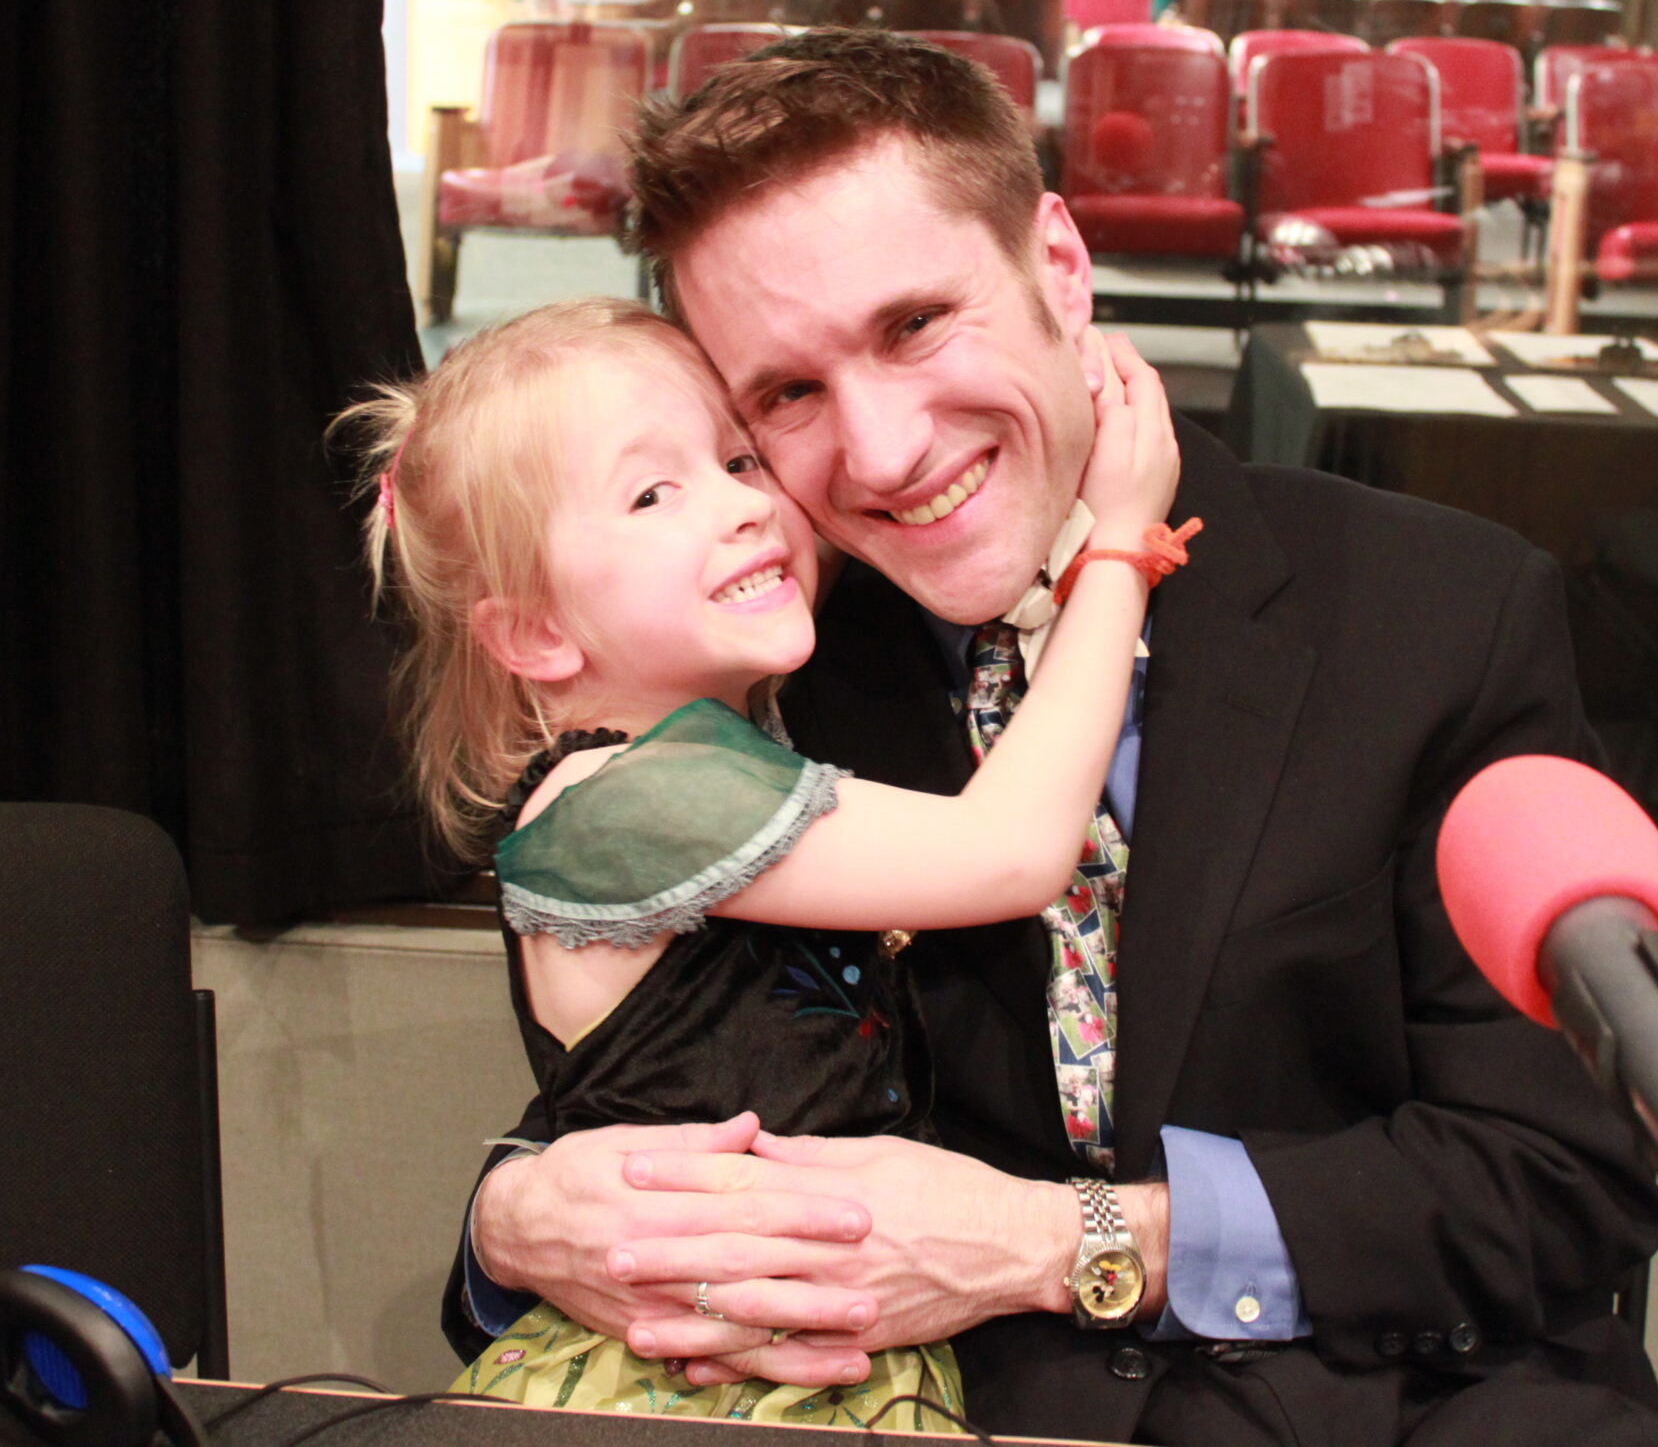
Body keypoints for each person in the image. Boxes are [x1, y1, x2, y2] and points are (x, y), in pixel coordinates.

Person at [447, 32, 1658, 1447]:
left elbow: (1565, 1174)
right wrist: (510, 1218)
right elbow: (670, 1066)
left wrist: (1068, 1238)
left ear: (1058, 264)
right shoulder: (756, 670)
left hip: (1411, 1398)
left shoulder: (1440, 607)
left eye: (915, 324)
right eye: (785, 396)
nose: (879, 452)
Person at [342, 297, 1187, 1430]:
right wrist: (1117, 548)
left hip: (828, 1365)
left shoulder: (733, 753)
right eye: (654, 494)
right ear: (539, 635)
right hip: (691, 1391)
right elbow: (1008, 851)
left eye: (739, 459)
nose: (746, 507)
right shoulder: (634, 794)